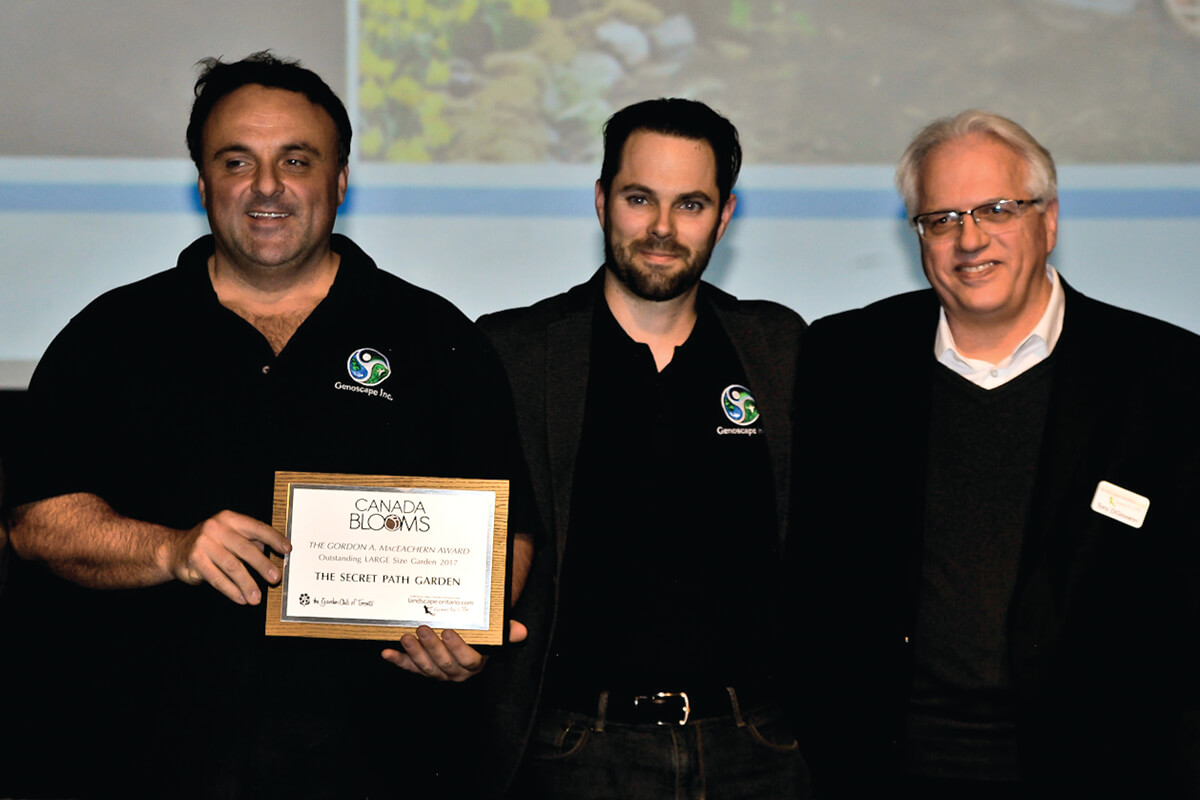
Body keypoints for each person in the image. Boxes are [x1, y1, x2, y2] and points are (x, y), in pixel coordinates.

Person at [5, 51, 533, 798]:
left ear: (339, 182)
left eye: (295, 159)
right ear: (202, 184)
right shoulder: (114, 334)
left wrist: (462, 632)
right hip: (146, 763)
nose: (266, 188)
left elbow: (508, 530)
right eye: (236, 161)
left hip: (380, 767)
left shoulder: (434, 337)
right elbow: (38, 524)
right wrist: (171, 549)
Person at [790, 110, 1200, 798]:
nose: (969, 238)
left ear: (1049, 221)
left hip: (1099, 773)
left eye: (997, 209)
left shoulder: (1166, 376)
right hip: (884, 771)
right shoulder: (846, 360)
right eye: (941, 218)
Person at [471, 98, 809, 798]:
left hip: (762, 751)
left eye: (690, 204)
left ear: (725, 214)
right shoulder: (514, 354)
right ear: (601, 201)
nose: (661, 228)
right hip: (573, 754)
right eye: (638, 198)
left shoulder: (781, 351)